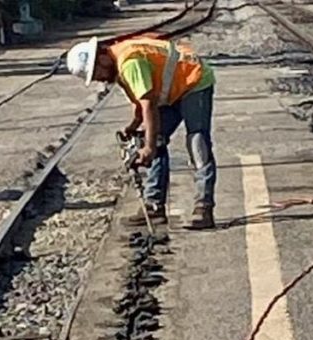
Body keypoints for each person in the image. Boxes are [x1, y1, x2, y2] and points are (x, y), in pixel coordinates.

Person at [66, 34, 216, 230]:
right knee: (155, 139)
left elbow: (149, 105)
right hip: (173, 89)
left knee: (197, 143)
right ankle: (154, 207)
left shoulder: (129, 62)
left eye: (96, 74)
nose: (100, 79)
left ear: (101, 58)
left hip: (194, 79)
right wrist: (134, 126)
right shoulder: (118, 63)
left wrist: (149, 146)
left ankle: (204, 208)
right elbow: (142, 100)